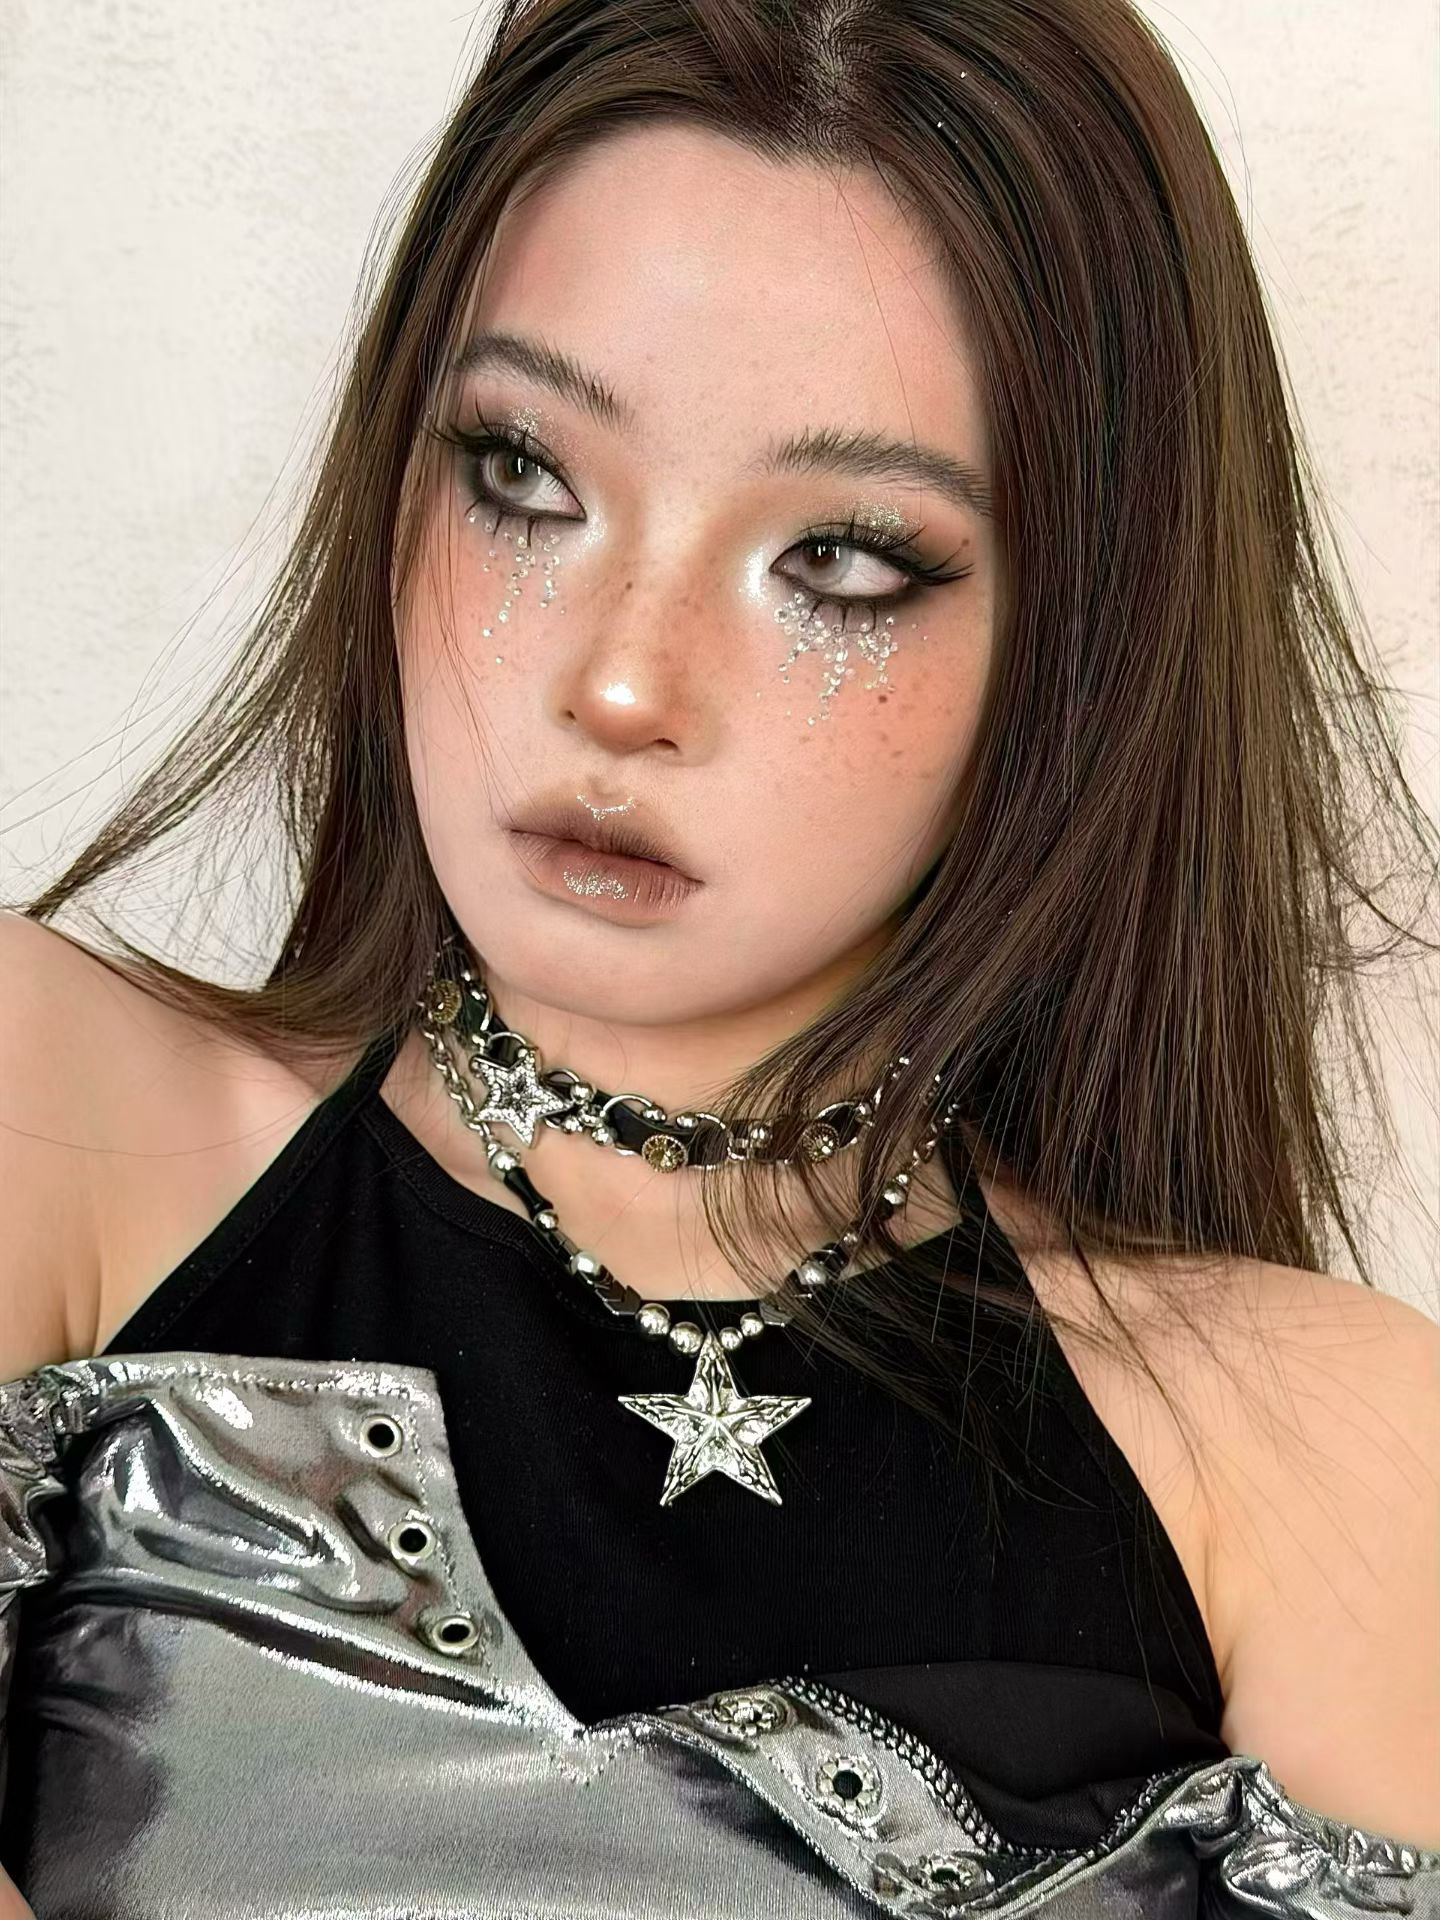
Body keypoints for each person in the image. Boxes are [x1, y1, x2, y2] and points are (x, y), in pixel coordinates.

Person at [1, 0, 1437, 1912]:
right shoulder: (51, 1105)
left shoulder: (1324, 1450)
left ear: (1084, 647)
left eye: (840, 561)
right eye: (523, 471)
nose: (619, 680)